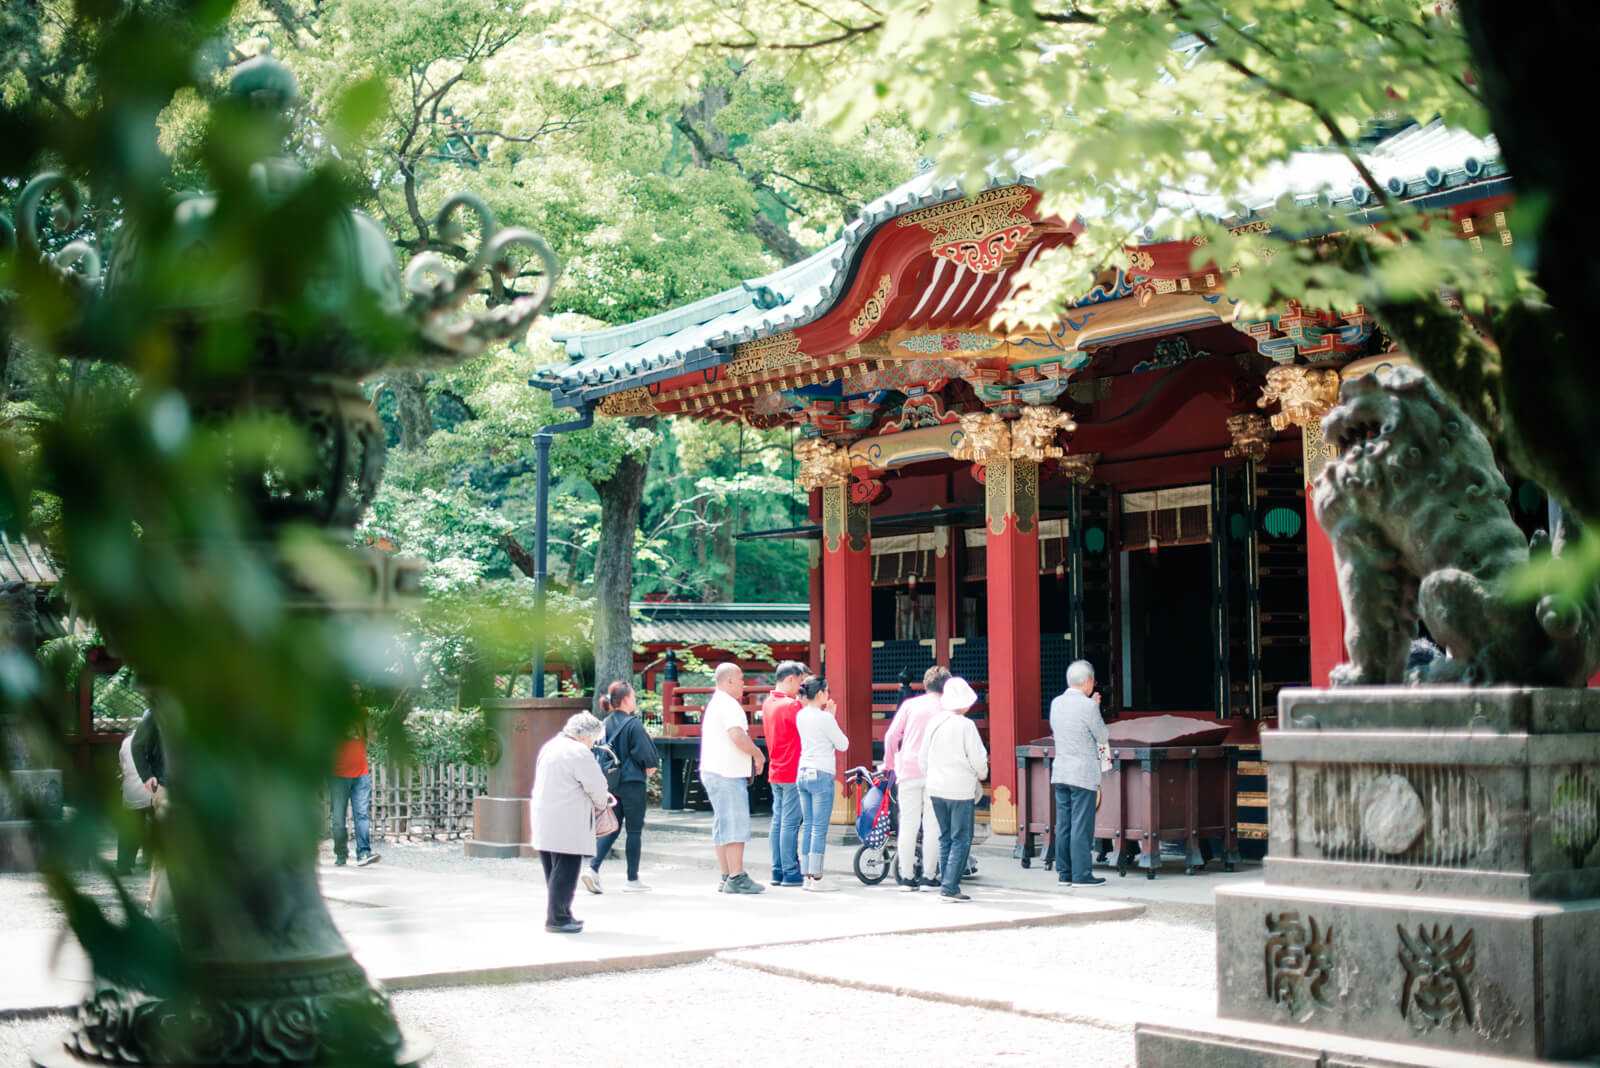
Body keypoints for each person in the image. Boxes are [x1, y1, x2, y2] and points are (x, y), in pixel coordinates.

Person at [530, 712, 612, 933]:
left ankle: (562, 913)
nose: (593, 744)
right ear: (586, 736)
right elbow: (596, 786)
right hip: (568, 819)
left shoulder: (550, 746)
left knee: (554, 871)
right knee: (566, 871)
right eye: (594, 740)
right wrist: (602, 803)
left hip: (544, 816)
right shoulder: (579, 752)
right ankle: (557, 918)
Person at [583, 680, 659, 894]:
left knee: (611, 826)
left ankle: (592, 868)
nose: (635, 700)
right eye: (633, 696)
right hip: (633, 784)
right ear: (625, 700)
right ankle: (632, 880)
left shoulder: (603, 724)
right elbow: (650, 762)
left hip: (610, 783)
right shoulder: (633, 724)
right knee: (634, 830)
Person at [698, 662, 766, 893]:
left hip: (713, 770)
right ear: (729, 681)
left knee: (723, 824)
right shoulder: (729, 704)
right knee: (735, 823)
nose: (743, 684)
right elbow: (736, 735)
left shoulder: (716, 702)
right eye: (740, 679)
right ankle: (736, 876)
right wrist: (757, 753)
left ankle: (727, 875)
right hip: (727, 772)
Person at [919, 676, 988, 903]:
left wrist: (931, 775)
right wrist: (981, 773)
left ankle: (945, 881)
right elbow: (978, 759)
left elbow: (923, 758)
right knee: (961, 837)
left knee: (946, 836)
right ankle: (950, 886)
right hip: (959, 789)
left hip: (936, 788)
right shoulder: (966, 725)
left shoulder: (935, 722)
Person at [881, 665, 950, 890]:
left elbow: (891, 735)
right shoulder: (948, 708)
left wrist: (889, 763)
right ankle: (929, 876)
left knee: (908, 824)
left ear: (925, 683)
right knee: (932, 825)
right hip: (936, 770)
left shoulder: (910, 705)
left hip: (908, 769)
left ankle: (907, 877)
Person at [1050, 659, 1110, 887]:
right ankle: (1082, 874)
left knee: (1064, 823)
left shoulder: (1056, 703)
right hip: (1082, 773)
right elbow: (1102, 735)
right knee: (1081, 825)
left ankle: (1064, 874)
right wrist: (1094, 706)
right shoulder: (1088, 706)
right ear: (1088, 681)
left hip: (1061, 770)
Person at [794, 676, 848, 892]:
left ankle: (807, 875)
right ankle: (817, 877)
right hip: (821, 772)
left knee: (807, 826)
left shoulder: (801, 714)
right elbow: (843, 744)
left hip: (803, 771)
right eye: (827, 691)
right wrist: (831, 717)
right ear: (819, 694)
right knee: (819, 827)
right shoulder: (824, 718)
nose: (829, 694)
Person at [760, 661, 807, 887]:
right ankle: (790, 870)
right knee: (790, 822)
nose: (800, 686)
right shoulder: (791, 706)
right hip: (792, 769)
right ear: (790, 679)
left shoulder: (768, 703)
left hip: (776, 769)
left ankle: (777, 869)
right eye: (799, 681)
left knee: (778, 821)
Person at [330, 714, 380, 867]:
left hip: (361, 774)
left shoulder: (361, 716)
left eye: (358, 693)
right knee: (338, 819)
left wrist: (369, 723)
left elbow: (374, 738)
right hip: (338, 775)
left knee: (362, 815)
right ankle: (341, 853)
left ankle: (363, 853)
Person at [115, 731, 154, 875]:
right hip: (152, 789)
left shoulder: (126, 742)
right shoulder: (156, 739)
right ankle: (151, 861)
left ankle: (123, 865)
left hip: (131, 790)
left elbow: (122, 765)